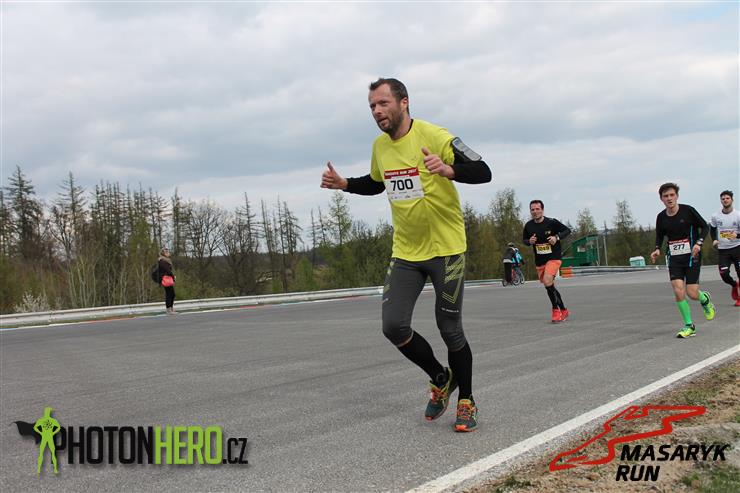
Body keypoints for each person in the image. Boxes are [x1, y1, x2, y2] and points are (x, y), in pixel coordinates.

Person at [320, 78, 491, 432]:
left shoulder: (435, 136)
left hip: (446, 250)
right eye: (372, 106)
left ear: (404, 102)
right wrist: (345, 184)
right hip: (407, 253)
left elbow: (483, 171)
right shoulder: (380, 147)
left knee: (449, 329)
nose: (377, 111)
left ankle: (467, 400)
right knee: (393, 326)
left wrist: (449, 169)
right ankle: (441, 377)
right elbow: (377, 182)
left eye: (383, 103)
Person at [649, 183, 714, 338]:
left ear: (677, 196)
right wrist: (657, 248)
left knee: (692, 293)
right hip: (674, 258)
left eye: (672, 195)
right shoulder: (661, 217)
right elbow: (660, 235)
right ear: (661, 199)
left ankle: (705, 299)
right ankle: (689, 326)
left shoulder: (688, 211)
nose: (669, 198)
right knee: (678, 290)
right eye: (666, 196)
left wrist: (698, 243)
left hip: (692, 256)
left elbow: (705, 227)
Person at [523, 200, 571, 323]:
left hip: (554, 257)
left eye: (537, 209)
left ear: (542, 210)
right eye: (532, 209)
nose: (535, 212)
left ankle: (555, 310)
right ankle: (564, 310)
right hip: (540, 260)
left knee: (547, 280)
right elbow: (524, 240)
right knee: (549, 285)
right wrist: (529, 241)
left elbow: (567, 230)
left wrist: (556, 237)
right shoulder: (528, 226)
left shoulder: (551, 222)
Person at [709, 190, 740, 306]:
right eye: (723, 199)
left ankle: (739, 298)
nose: (725, 200)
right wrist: (714, 240)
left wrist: (737, 235)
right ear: (720, 201)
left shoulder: (738, 215)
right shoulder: (715, 216)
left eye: (727, 198)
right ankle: (734, 285)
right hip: (723, 250)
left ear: (732, 200)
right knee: (724, 274)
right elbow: (712, 229)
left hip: (737, 248)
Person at [158, 247, 176, 314]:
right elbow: (167, 270)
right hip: (165, 279)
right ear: (163, 253)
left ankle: (171, 308)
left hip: (168, 278)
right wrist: (173, 276)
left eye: (168, 251)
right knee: (169, 294)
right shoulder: (162, 260)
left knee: (172, 294)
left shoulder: (167, 260)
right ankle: (168, 309)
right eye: (166, 252)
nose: (168, 253)